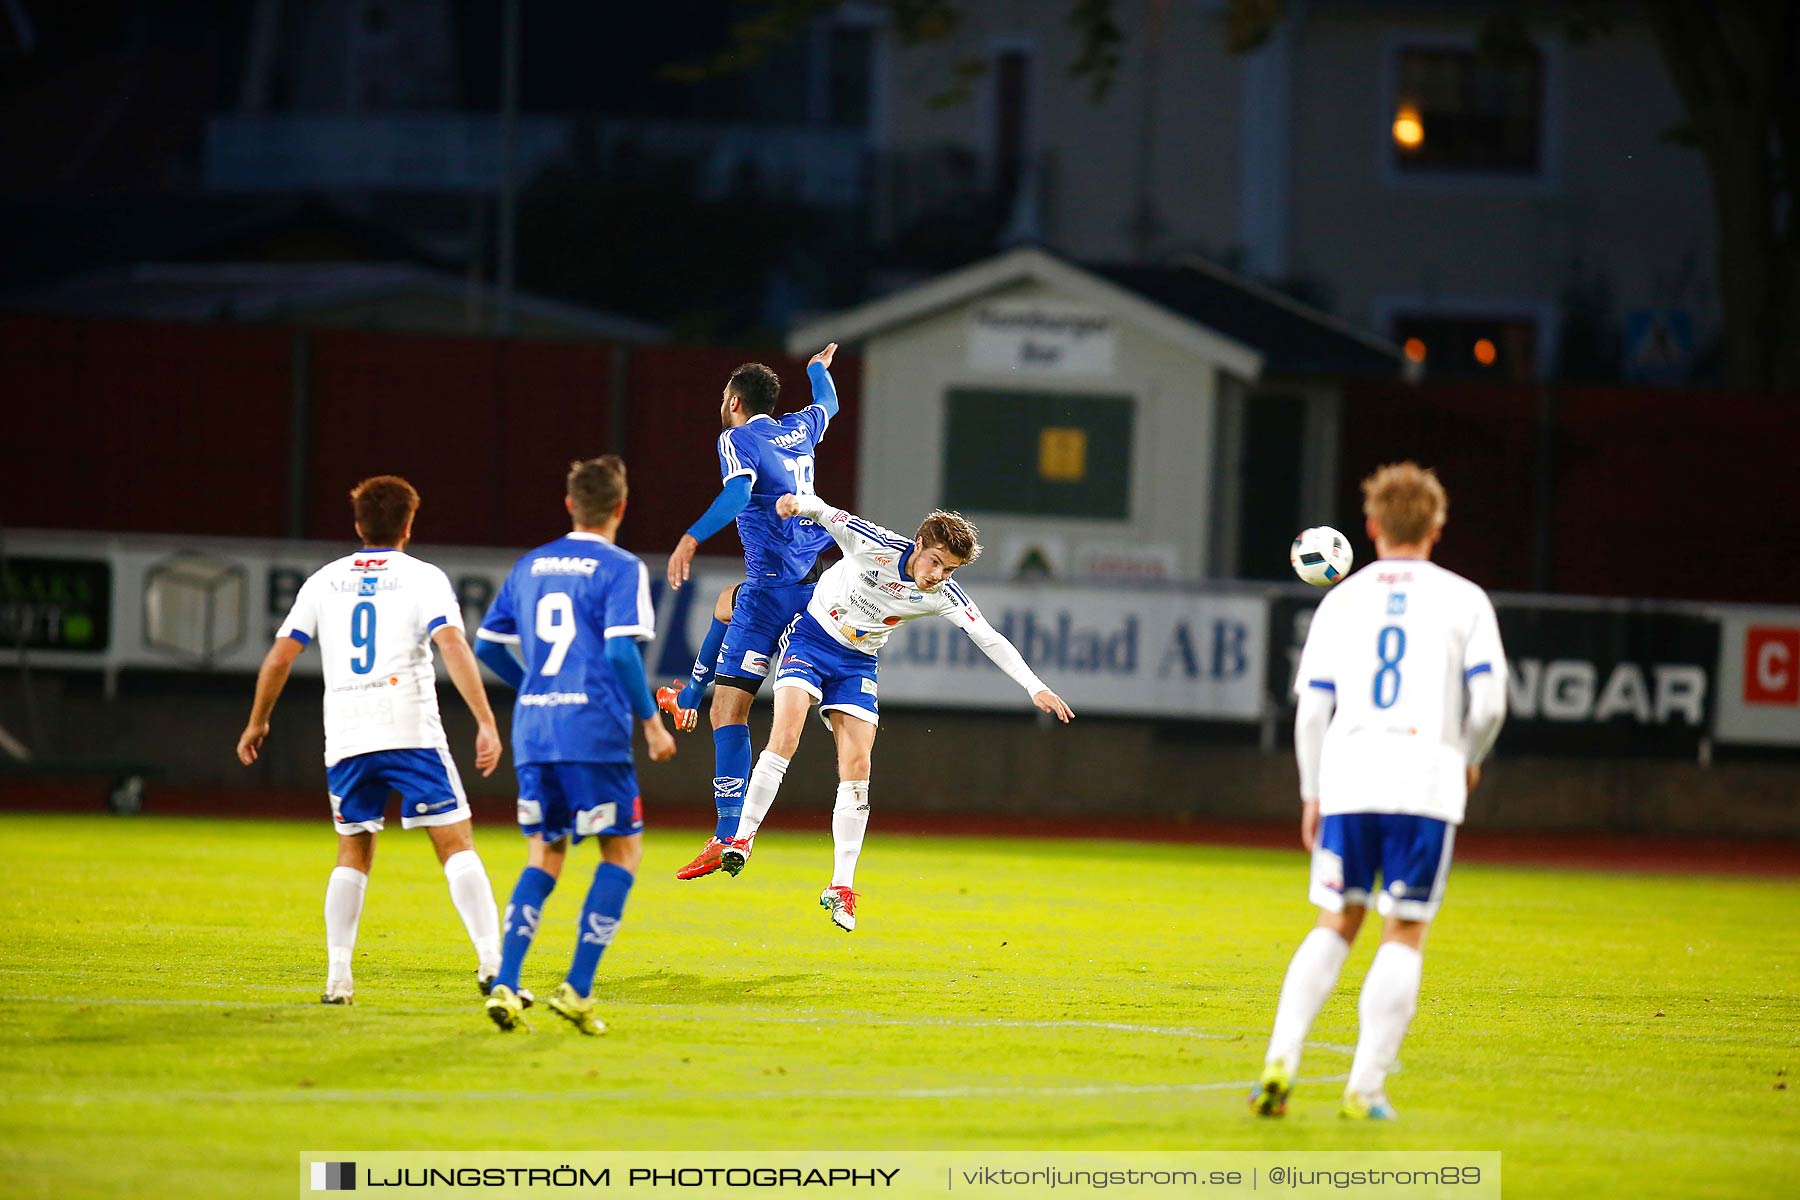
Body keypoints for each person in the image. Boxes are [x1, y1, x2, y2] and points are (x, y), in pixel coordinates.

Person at [1250, 461, 1507, 1120]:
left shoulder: (1344, 597)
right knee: (1405, 929)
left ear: (1370, 526)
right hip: (1426, 777)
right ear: (1437, 526)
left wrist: (1311, 791)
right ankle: (1363, 1089)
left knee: (1336, 921)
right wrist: (1469, 757)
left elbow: (1311, 710)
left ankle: (1279, 1062)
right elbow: (1492, 705)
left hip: (1351, 776)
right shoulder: (1465, 598)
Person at [718, 493, 1073, 931]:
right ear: (921, 542)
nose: (938, 576)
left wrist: (1034, 687)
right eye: (937, 562)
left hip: (856, 664)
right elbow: (825, 511)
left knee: (858, 765)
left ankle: (841, 887)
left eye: (950, 570)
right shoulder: (874, 543)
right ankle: (742, 837)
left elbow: (990, 638)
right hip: (811, 639)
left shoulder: (945, 594)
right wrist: (795, 501)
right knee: (785, 737)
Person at [237, 475, 504, 1005]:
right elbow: (452, 645)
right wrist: (485, 720)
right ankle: (492, 961)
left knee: (353, 850)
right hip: (410, 728)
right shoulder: (423, 577)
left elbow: (280, 657)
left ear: (359, 524)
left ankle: (338, 977)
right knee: (455, 843)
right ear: (408, 524)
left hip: (348, 734)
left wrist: (257, 721)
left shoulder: (322, 581)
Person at [472, 456, 676, 1034]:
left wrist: (534, 687)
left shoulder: (530, 565)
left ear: (569, 504)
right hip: (593, 731)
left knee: (546, 854)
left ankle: (508, 985)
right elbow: (618, 651)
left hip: (535, 731)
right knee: (622, 852)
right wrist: (651, 724)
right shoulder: (620, 567)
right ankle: (577, 989)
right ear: (620, 507)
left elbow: (487, 647)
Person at [660, 344, 843, 881]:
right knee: (723, 603)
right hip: (818, 585)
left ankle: (726, 833)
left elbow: (739, 495)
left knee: (729, 713)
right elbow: (828, 402)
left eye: (724, 397)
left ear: (735, 401)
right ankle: (687, 694)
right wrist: (816, 370)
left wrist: (691, 537)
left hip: (774, 591)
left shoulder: (737, 438)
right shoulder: (800, 428)